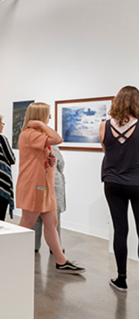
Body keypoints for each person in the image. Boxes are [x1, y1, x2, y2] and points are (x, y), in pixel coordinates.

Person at [16, 102, 85, 274]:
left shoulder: (37, 135)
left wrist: (51, 160)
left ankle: (61, 261)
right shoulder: (30, 133)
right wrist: (41, 125)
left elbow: (45, 155)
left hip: (44, 186)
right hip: (34, 185)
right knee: (27, 223)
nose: (49, 118)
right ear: (40, 116)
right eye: (47, 115)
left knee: (51, 222)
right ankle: (12, 254)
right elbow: (58, 139)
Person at [100, 85, 139, 292]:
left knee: (120, 230)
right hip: (137, 182)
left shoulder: (104, 126)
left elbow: (107, 151)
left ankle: (121, 279)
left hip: (113, 182)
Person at [32, 145, 65, 252]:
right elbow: (61, 164)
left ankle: (34, 245)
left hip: (37, 183)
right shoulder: (52, 147)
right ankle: (55, 247)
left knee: (36, 216)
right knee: (54, 218)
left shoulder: (33, 146)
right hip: (52, 184)